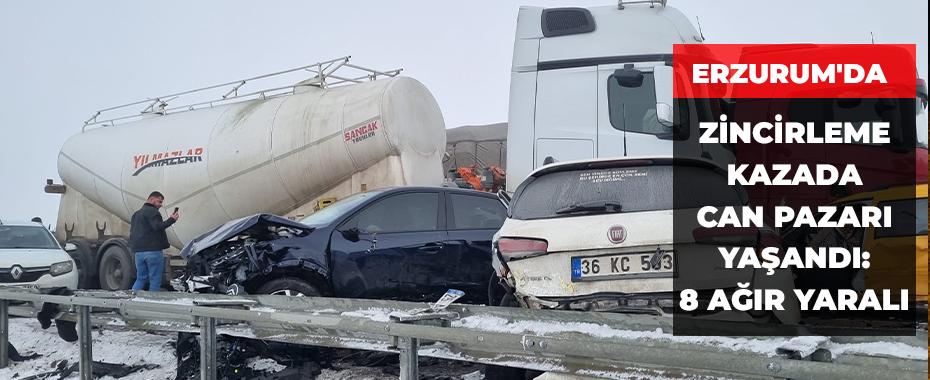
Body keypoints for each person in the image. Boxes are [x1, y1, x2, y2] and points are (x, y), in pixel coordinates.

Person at [129, 191, 179, 291]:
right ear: (151, 199)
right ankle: (152, 303)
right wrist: (172, 219)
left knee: (140, 279)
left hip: (139, 253)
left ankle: (132, 301)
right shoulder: (153, 212)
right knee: (155, 280)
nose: (161, 205)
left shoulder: (136, 214)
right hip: (153, 252)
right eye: (159, 202)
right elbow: (158, 226)